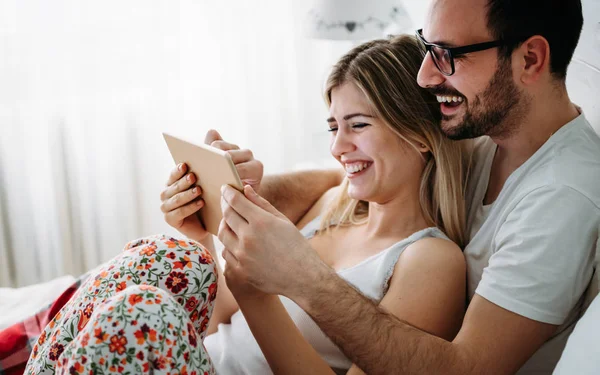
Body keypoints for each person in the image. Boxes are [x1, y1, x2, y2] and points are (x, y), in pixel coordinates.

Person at [24, 35, 469, 374]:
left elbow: (249, 305)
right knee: (158, 258)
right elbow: (218, 322)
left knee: (138, 311)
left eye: (357, 124)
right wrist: (204, 234)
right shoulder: (330, 205)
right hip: (199, 354)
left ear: (419, 134)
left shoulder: (429, 260)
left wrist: (255, 293)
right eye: (333, 127)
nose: (338, 147)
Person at [204, 0, 600, 374]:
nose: (425, 76)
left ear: (529, 59)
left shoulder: (561, 198)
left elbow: (467, 369)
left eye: (447, 54)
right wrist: (244, 189)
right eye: (427, 47)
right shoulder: (481, 131)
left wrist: (298, 277)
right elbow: (349, 178)